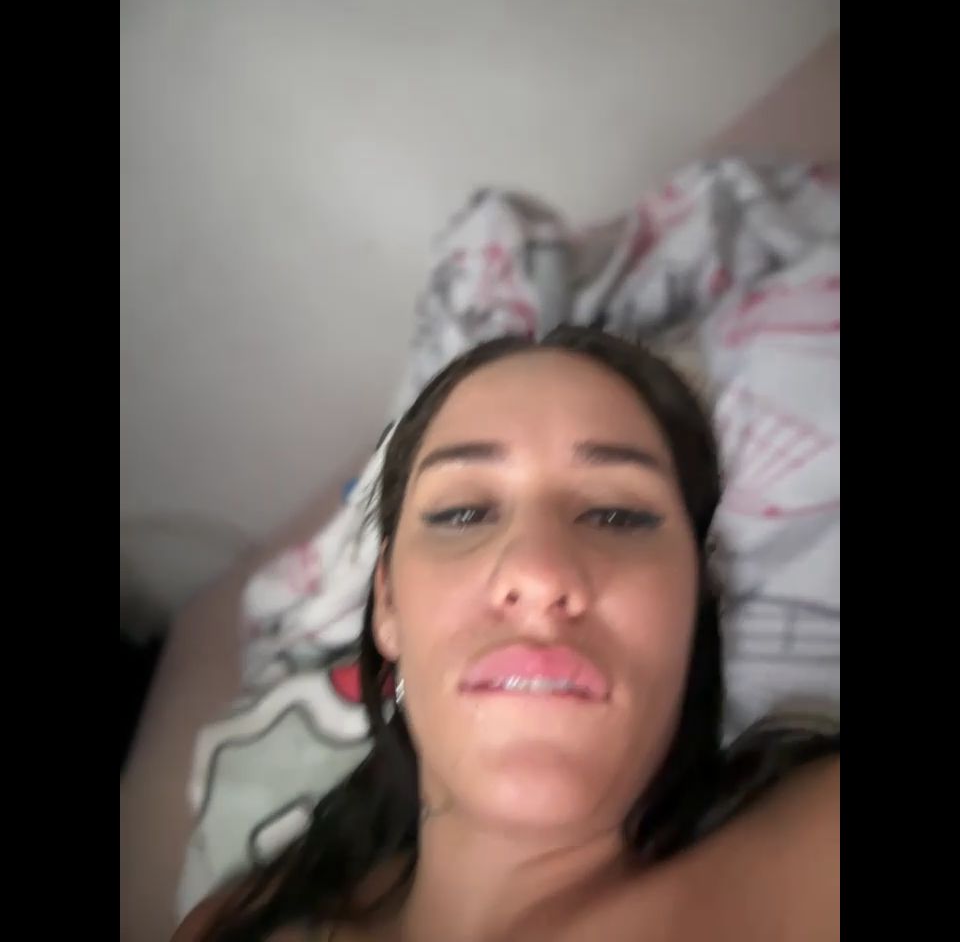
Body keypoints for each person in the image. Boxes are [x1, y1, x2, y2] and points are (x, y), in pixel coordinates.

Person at [177, 325, 840, 942]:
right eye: (464, 513)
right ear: (388, 604)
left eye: (616, 515)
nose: (538, 572)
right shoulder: (237, 923)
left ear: (694, 604)